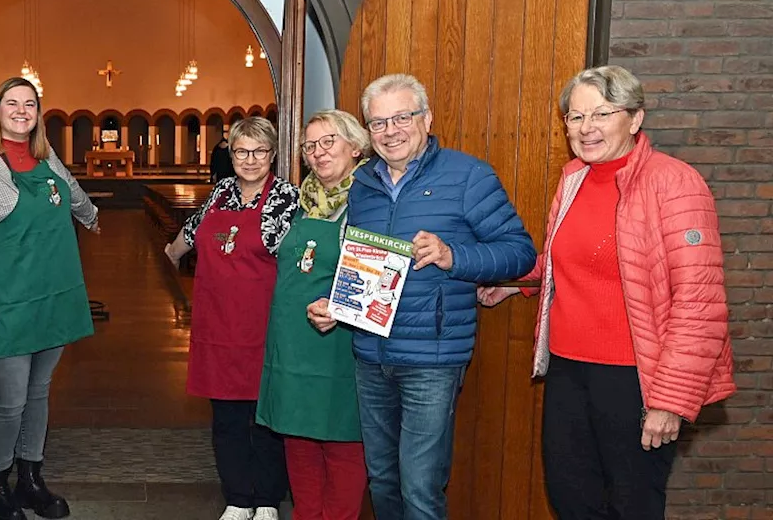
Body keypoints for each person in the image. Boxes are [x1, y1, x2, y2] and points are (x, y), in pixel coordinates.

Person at [477, 65, 735, 519]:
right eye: (575, 118)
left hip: (635, 379)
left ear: (634, 119)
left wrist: (669, 402)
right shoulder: (574, 177)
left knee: (632, 504)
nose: (586, 128)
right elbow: (570, 256)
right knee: (571, 498)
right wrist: (517, 285)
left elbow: (699, 304)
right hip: (568, 371)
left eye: (601, 114)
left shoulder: (674, 184)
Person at [312, 73, 536, 520]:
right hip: (370, 354)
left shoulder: (468, 175)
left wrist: (454, 256)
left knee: (420, 487)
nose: (390, 131)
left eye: (402, 118)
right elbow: (360, 263)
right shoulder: (363, 186)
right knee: (383, 480)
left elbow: (520, 253)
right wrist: (335, 304)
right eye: (378, 123)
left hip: (432, 358)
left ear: (426, 119)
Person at [0, 77, 100, 520]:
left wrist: (92, 215)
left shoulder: (45, 156)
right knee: (8, 401)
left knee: (39, 394)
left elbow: (71, 192)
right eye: (11, 103)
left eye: (29, 103)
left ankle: (31, 479)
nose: (21, 110)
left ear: (38, 111)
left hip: (52, 296)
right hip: (6, 302)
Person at [164, 117, 299, 520]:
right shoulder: (221, 192)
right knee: (226, 420)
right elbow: (191, 232)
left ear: (272, 154)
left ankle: (268, 500)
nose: (250, 159)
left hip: (265, 328)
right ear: (231, 153)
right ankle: (238, 498)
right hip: (217, 326)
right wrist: (170, 253)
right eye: (242, 151)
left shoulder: (287, 199)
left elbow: (298, 261)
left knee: (265, 420)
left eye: (259, 151)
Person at [257, 110, 373, 520]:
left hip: (341, 346)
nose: (318, 153)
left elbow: (381, 276)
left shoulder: (370, 203)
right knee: (298, 444)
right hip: (291, 345)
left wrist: (340, 309)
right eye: (310, 145)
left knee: (342, 444)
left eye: (329, 142)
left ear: (356, 147)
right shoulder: (297, 203)